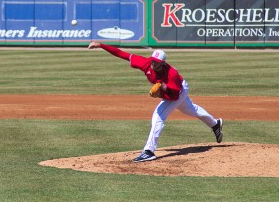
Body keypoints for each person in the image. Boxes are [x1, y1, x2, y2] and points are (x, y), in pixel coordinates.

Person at [88, 42, 223, 162]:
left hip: (179, 90)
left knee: (158, 116)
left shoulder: (171, 75)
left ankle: (149, 151)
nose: (153, 64)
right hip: (175, 91)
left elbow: (174, 96)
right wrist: (101, 45)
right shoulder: (146, 63)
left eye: (156, 62)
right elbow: (123, 54)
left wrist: (163, 90)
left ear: (162, 63)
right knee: (190, 109)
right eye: (152, 60)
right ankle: (215, 124)